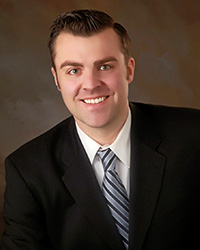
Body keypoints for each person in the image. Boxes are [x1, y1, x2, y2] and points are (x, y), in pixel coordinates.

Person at [1, 9, 200, 250]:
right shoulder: (27, 170)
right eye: (74, 70)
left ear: (129, 69)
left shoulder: (193, 136)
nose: (91, 84)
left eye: (104, 66)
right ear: (56, 79)